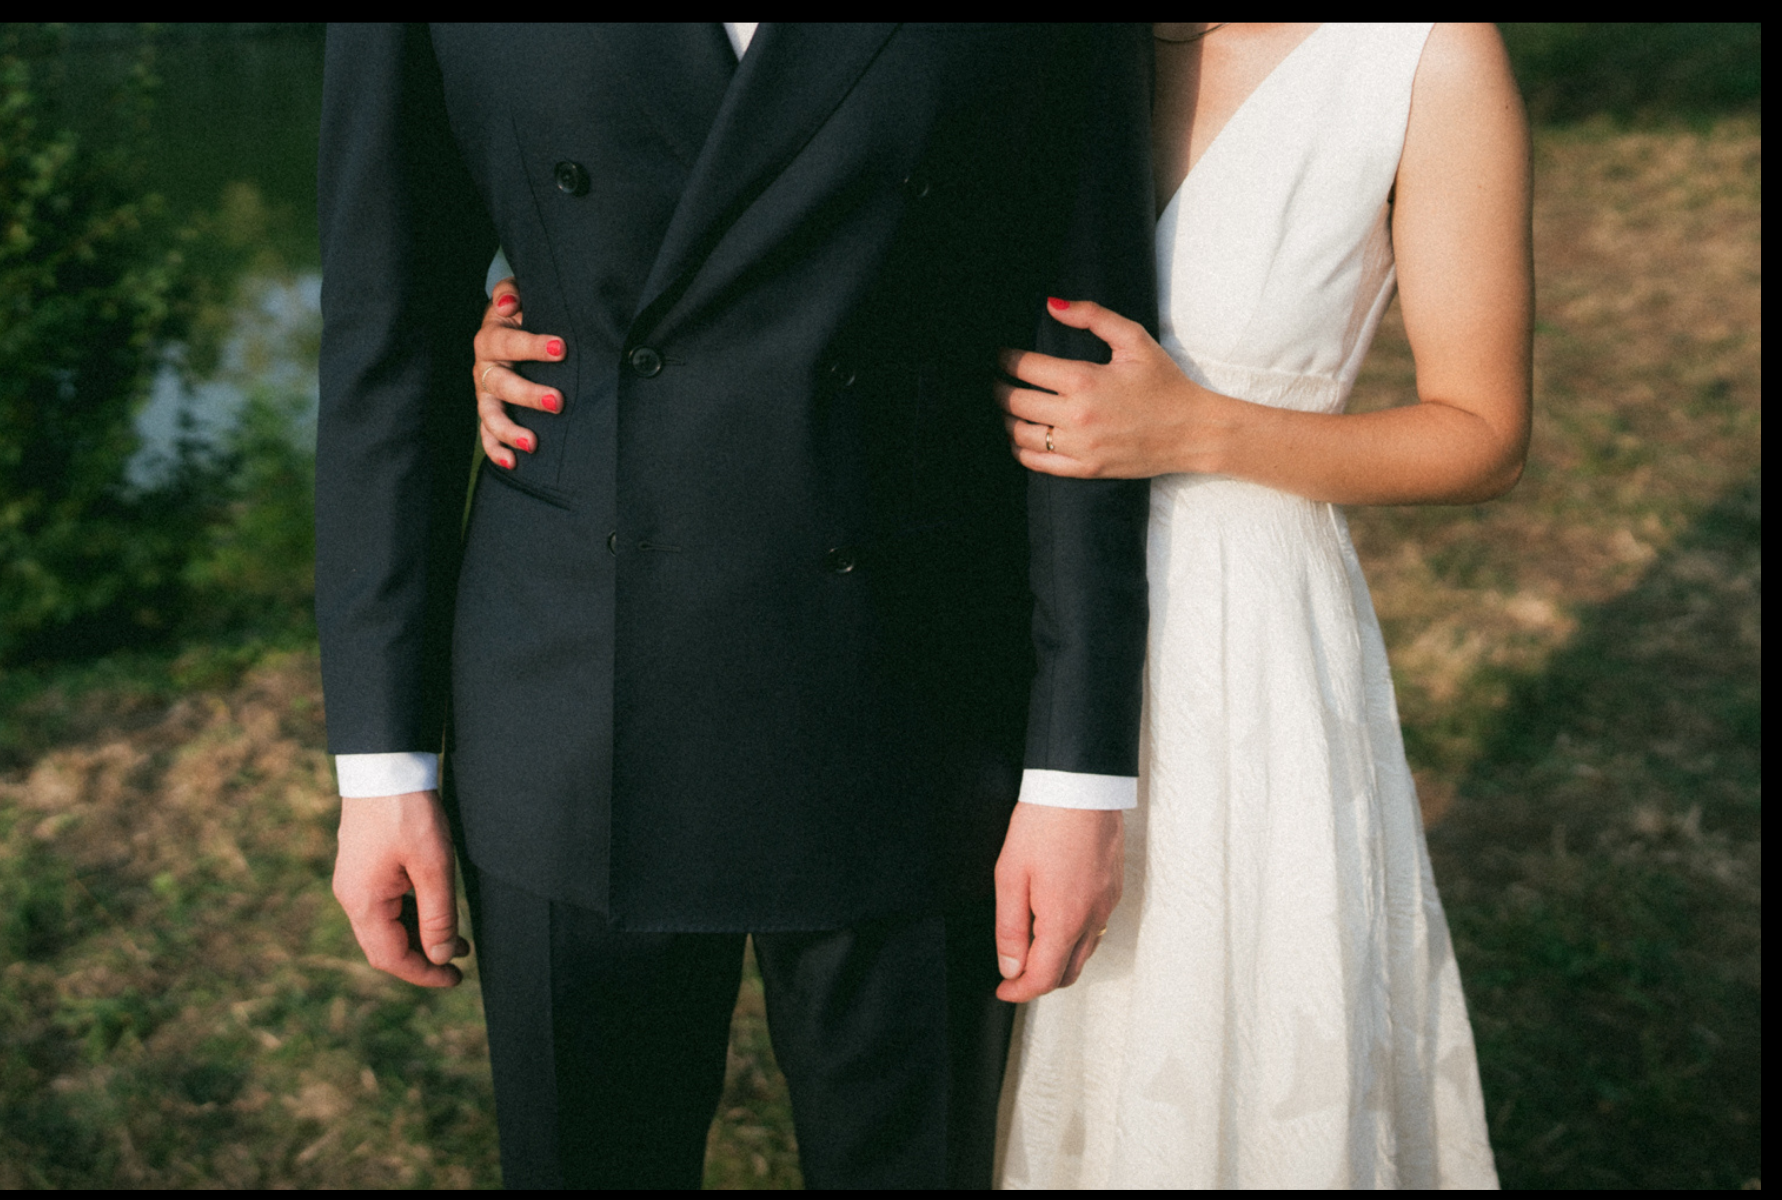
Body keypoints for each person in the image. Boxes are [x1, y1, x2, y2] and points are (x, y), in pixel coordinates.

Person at [476, 17, 1524, 1192]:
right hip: (968, 623)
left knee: (1211, 1062)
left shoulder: (1417, 57)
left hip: (1230, 639)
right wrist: (561, 336)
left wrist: (1199, 430)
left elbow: (1484, 436)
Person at [317, 24, 1155, 1190]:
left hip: (912, 699)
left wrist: (1079, 772)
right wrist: (381, 765)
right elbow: (384, 348)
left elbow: (1088, 357)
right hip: (567, 703)